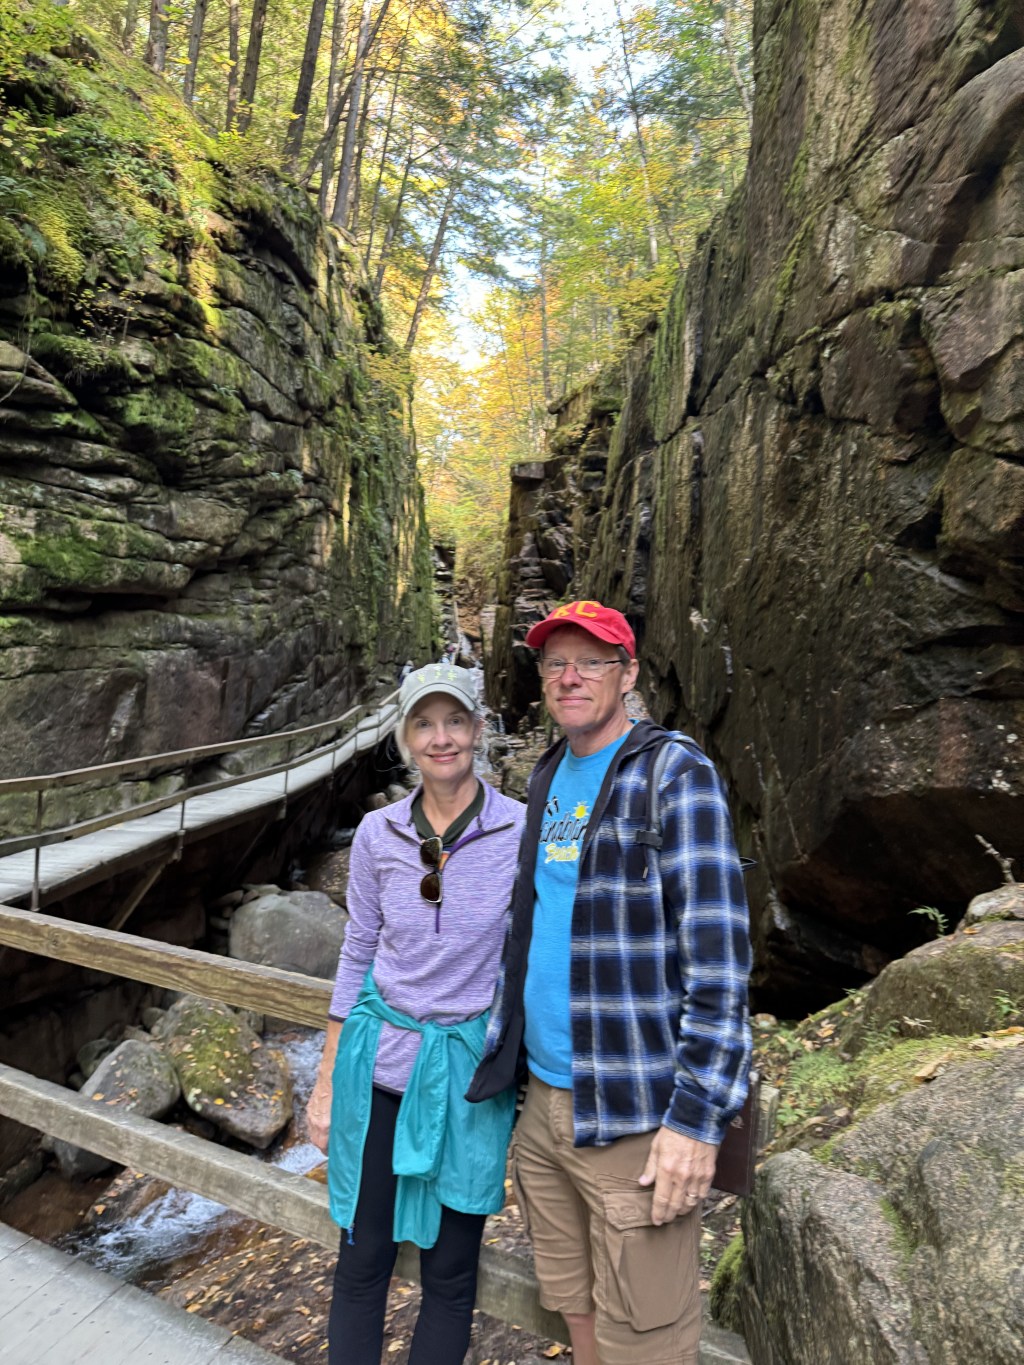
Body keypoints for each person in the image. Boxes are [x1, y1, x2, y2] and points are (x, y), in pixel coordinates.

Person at [468, 600, 751, 1365]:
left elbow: (720, 961)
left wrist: (696, 1120)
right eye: (555, 662)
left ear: (627, 673)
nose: (570, 676)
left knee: (649, 1341)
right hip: (544, 1103)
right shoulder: (550, 773)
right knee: (576, 1313)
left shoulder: (673, 770)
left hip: (633, 1113)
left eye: (591, 660)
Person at [307, 661, 526, 1365]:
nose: (441, 738)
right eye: (425, 723)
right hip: (380, 1069)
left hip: (467, 1076)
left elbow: (537, 956)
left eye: (455, 720)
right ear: (404, 738)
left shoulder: (521, 832)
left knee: (450, 1275)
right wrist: (323, 1080)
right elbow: (356, 952)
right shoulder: (376, 834)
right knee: (363, 1258)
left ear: (479, 729)